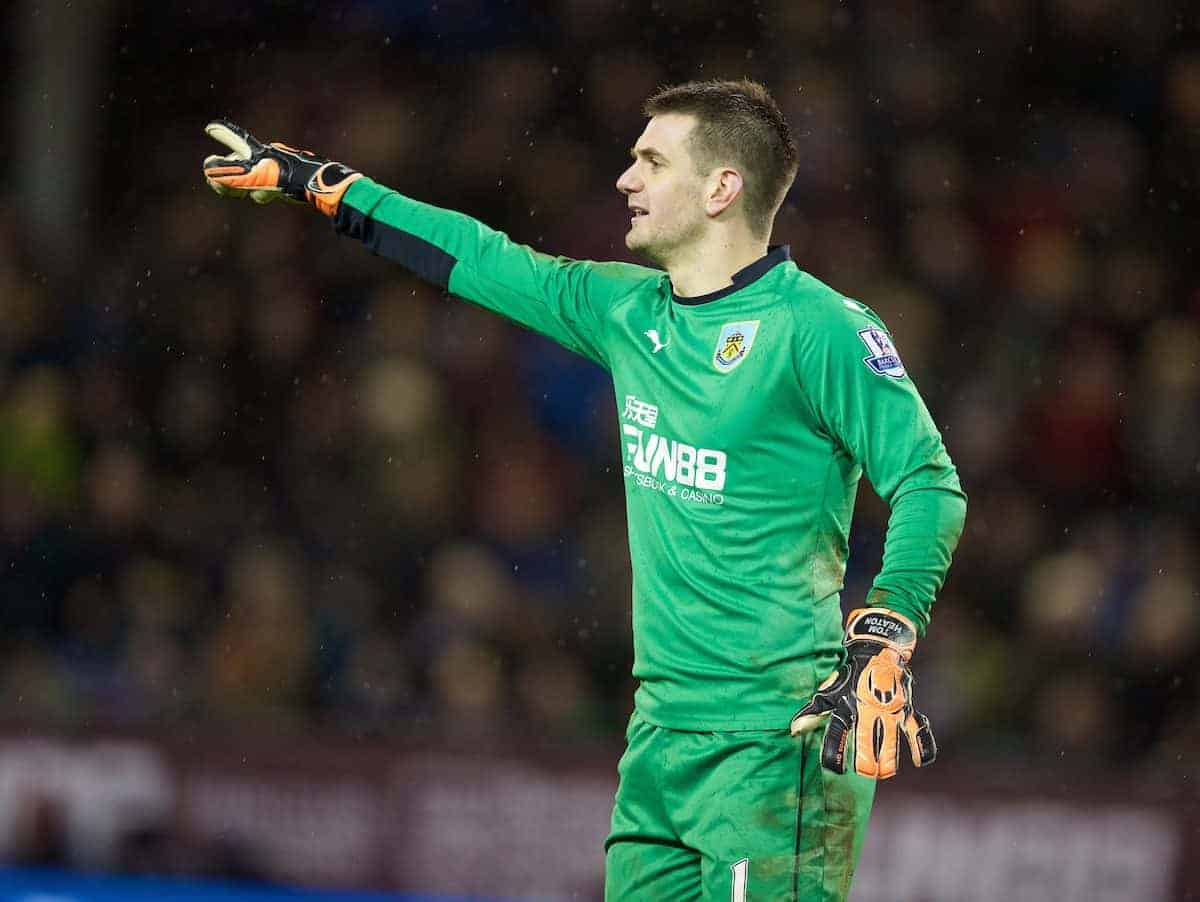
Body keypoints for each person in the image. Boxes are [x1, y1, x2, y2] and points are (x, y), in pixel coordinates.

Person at [202, 78, 966, 902]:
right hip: (659, 740)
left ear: (721, 187)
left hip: (775, 740)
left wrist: (885, 630)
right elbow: (481, 257)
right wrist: (323, 186)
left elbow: (930, 482)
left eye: (651, 160)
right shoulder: (627, 311)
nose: (624, 179)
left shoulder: (820, 329)